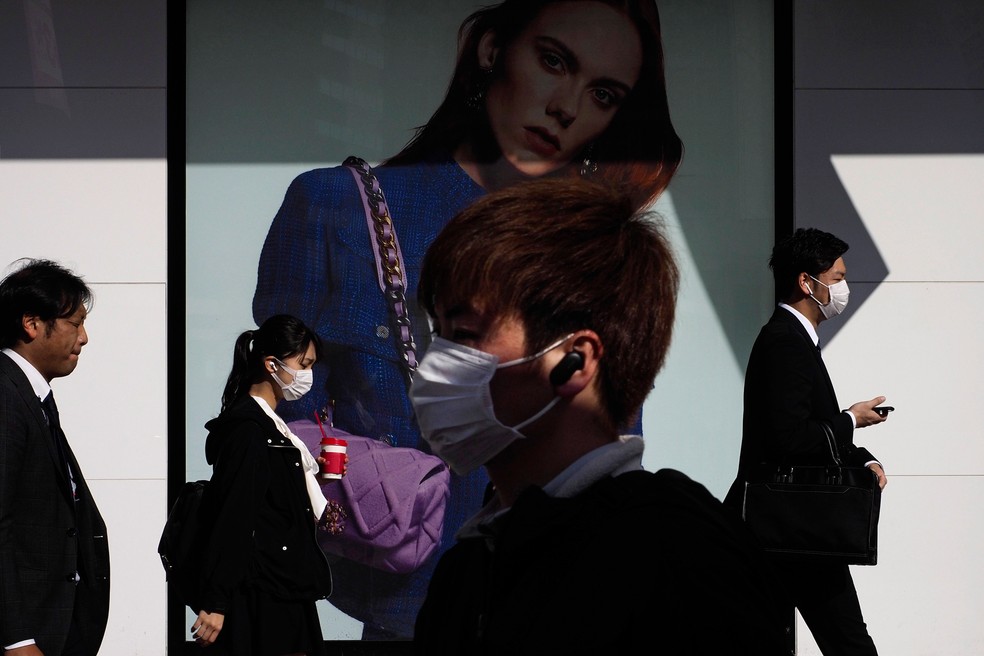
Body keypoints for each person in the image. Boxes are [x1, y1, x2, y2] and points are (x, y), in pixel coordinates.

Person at [252, 0, 683, 639]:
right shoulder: (337, 208)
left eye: (602, 93)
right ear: (491, 51)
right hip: (403, 603)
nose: (566, 105)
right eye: (554, 60)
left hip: (556, 605)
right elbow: (273, 430)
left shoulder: (599, 249)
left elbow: (613, 444)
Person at [410, 178, 787, 654]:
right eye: (437, 334)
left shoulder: (675, 552)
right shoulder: (468, 566)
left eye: (463, 333)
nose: (435, 362)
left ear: (575, 360)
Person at [724, 227, 888, 655]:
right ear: (806, 282)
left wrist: (861, 457)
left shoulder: (793, 340)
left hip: (786, 525)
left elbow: (805, 427)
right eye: (836, 279)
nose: (843, 289)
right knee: (849, 641)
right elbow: (790, 437)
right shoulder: (785, 342)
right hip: (793, 524)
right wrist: (851, 419)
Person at [191, 314, 339, 655]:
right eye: (303, 364)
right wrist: (217, 600)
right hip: (265, 591)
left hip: (285, 583)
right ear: (271, 365)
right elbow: (235, 514)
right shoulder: (250, 430)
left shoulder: (274, 429)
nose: (308, 376)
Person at [0, 258, 110, 656]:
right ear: (32, 324)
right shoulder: (7, 394)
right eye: (75, 323)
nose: (84, 338)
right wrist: (16, 638)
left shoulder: (33, 396)